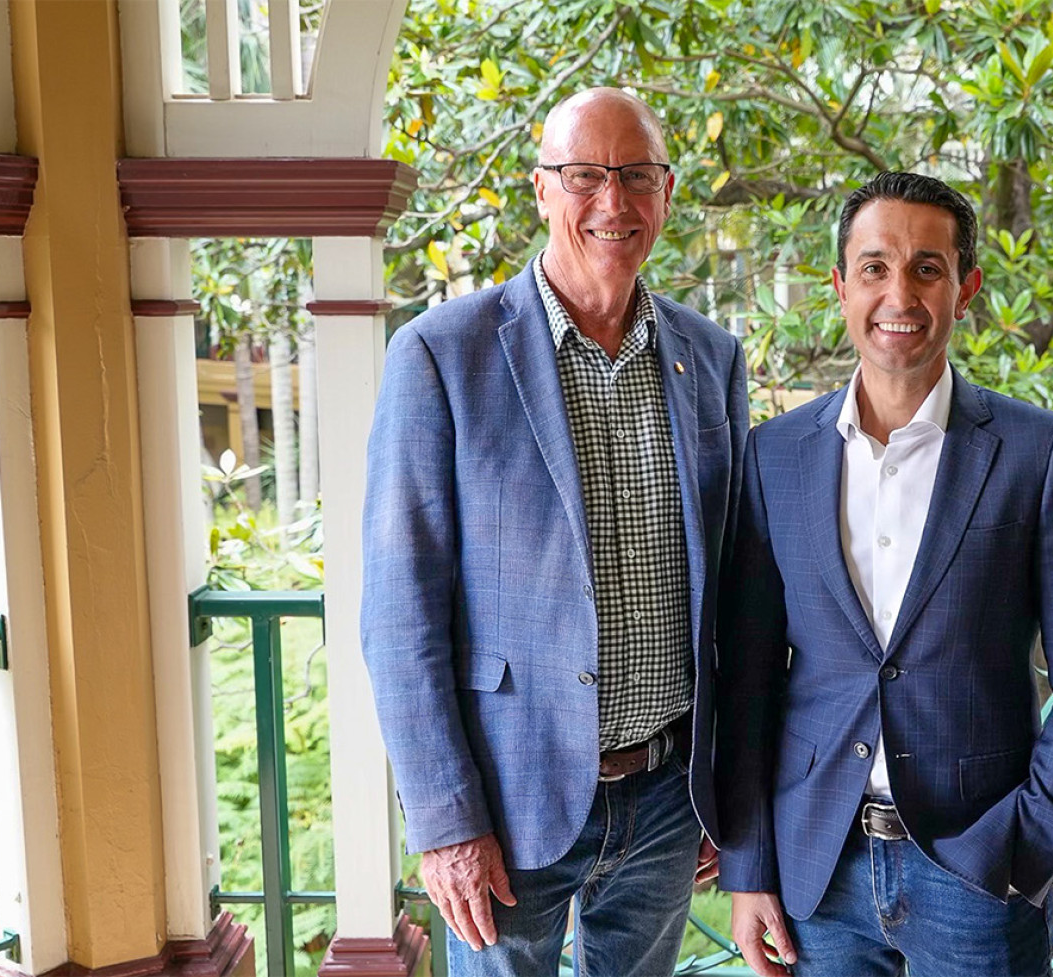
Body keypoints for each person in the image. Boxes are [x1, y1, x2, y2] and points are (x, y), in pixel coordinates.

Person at [361, 87, 747, 977]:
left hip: (665, 799)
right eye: (585, 176)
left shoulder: (711, 358)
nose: (613, 202)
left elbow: (735, 591)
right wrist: (447, 819)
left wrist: (725, 787)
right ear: (542, 190)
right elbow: (397, 611)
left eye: (636, 177)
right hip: (506, 797)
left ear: (667, 192)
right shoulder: (440, 354)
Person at [715, 171, 1053, 977]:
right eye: (874, 267)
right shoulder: (774, 455)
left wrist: (1022, 846)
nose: (897, 293)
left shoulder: (1038, 453)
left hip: (975, 876)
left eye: (926, 268)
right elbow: (750, 680)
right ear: (840, 286)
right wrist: (751, 867)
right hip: (818, 872)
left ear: (965, 289)